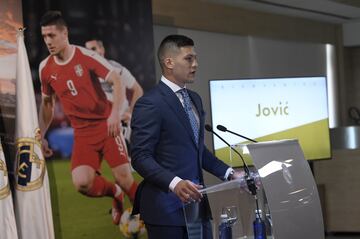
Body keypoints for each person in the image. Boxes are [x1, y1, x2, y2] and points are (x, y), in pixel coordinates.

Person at [130, 34, 243, 239]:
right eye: (189, 59)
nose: (195, 64)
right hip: (166, 211)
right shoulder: (150, 103)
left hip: (198, 208)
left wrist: (229, 173)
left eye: (195, 58)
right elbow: (140, 157)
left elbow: (197, 151)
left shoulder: (194, 99)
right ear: (169, 62)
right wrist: (175, 183)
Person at [38, 11, 137, 226]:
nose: (48, 41)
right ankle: (116, 194)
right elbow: (47, 103)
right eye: (44, 36)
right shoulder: (45, 68)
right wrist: (41, 135)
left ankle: (150, 216)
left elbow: (116, 82)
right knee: (82, 183)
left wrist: (114, 114)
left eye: (52, 35)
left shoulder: (86, 57)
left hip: (106, 126)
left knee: (125, 177)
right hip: (82, 133)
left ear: (65, 34)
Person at [84, 39, 143, 146]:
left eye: (93, 49)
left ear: (102, 50)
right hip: (101, 124)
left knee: (127, 157)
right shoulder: (85, 74)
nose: (90, 52)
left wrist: (130, 112)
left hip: (120, 122)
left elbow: (138, 90)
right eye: (87, 50)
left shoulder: (116, 69)